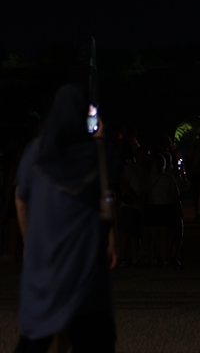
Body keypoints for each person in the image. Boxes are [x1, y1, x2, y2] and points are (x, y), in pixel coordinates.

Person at [13, 84, 121, 352]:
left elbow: (21, 201)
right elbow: (107, 196)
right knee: (93, 337)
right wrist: (100, 138)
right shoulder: (96, 154)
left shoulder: (36, 152)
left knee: (37, 334)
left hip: (46, 263)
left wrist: (30, 243)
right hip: (86, 266)